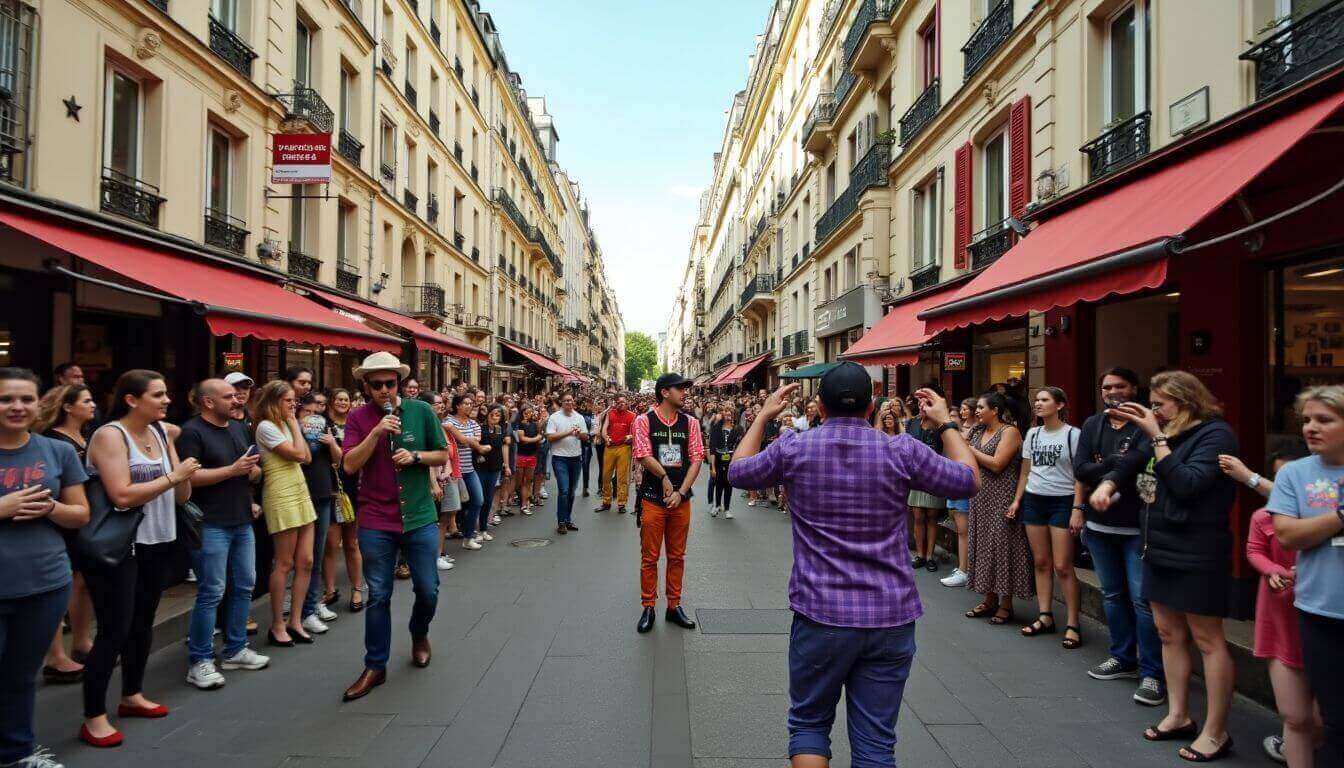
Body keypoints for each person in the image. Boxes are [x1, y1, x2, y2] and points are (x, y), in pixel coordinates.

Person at [729, 365, 979, 768]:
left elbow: (738, 472)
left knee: (809, 725)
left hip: (820, 611)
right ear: (870, 406)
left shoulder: (794, 446)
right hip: (890, 614)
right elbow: (968, 480)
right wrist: (947, 422)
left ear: (820, 407)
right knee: (876, 744)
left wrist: (762, 416)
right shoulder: (901, 449)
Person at [1091, 370, 1238, 761]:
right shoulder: (1162, 432)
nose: (1155, 410)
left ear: (1186, 401)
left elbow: (1189, 483)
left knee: (1207, 640)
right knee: (1167, 632)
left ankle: (1216, 730)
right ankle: (1178, 714)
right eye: (1153, 404)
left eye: (1161, 404)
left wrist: (1156, 436)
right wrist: (1108, 484)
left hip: (1197, 548)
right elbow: (1131, 463)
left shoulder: (1214, 435)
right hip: (1157, 545)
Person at [81, 370, 198, 748]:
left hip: (158, 539)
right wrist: (174, 476)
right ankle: (93, 716)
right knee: (113, 630)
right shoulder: (110, 435)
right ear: (132, 399)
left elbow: (182, 496)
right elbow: (122, 495)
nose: (167, 400)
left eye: (166, 394)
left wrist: (181, 476)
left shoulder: (162, 432)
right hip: (120, 546)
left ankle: (132, 694)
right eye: (158, 395)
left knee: (142, 623)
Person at [340, 352, 449, 701]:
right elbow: (349, 465)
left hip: (418, 516)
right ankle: (375, 665)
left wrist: (416, 457)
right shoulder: (358, 418)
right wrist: (374, 433)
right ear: (366, 386)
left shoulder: (421, 411)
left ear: (399, 383)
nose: (385, 390)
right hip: (376, 519)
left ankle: (419, 633)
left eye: (390, 383)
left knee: (428, 589)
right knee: (379, 595)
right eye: (377, 385)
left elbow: (442, 454)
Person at [0, 368, 90, 768]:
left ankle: (17, 751)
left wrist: (52, 508)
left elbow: (81, 514)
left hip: (45, 583)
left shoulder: (58, 452)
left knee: (22, 676)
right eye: (6, 399)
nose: (17, 407)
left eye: (25, 399)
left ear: (40, 404)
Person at [1073, 368, 1165, 705]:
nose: (1113, 392)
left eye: (1120, 386)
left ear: (1135, 388)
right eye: (1107, 387)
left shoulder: (1146, 424)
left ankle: (1152, 672)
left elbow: (1141, 463)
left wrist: (1106, 466)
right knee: (1112, 595)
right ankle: (1123, 656)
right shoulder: (1092, 424)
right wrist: (1114, 464)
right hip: (1099, 526)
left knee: (1142, 601)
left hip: (1137, 528)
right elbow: (1081, 468)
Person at [176, 379, 270, 690]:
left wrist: (252, 474)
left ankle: (235, 649)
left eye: (236, 396)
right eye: (228, 396)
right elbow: (188, 478)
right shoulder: (192, 432)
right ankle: (200, 660)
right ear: (207, 402)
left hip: (241, 517)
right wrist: (233, 470)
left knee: (244, 585)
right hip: (210, 522)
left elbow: (249, 469)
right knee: (212, 591)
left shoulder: (238, 427)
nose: (236, 400)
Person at [1270, 385, 1344, 767]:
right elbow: (1287, 534)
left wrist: (1318, 526)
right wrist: (1340, 517)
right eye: (1307, 420)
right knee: (1336, 723)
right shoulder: (1294, 474)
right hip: (1322, 612)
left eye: (1324, 420)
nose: (1311, 428)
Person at [1245, 448, 1317, 766]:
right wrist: (1272, 570)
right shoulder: (1263, 517)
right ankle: (1294, 743)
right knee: (1295, 712)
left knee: (1320, 714)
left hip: (1318, 609)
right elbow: (1254, 549)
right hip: (1280, 607)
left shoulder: (1323, 518)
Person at [1010, 387, 1083, 648]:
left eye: (1045, 400)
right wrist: (1018, 500)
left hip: (1062, 501)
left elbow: (1079, 475)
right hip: (1034, 500)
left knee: (1063, 565)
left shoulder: (1073, 434)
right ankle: (1045, 615)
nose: (1038, 404)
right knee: (1041, 562)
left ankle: (1073, 623)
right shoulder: (1033, 434)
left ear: (1060, 405)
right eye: (1037, 400)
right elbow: (1025, 473)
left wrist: (1078, 508)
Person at [632, 373, 703, 633]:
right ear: (664, 392)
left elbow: (696, 458)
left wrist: (681, 492)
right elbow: (642, 453)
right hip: (652, 498)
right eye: (680, 388)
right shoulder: (644, 421)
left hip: (680, 501)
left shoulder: (691, 423)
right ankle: (648, 606)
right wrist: (663, 477)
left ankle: (673, 606)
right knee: (649, 557)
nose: (684, 393)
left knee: (676, 556)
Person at [35, 384, 97, 685]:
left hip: (85, 518)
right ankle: (55, 655)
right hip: (60, 519)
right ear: (68, 407)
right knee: (62, 585)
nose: (93, 404)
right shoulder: (53, 441)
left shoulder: (87, 436)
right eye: (86, 401)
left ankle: (82, 642)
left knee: (82, 582)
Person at [251, 381, 317, 647]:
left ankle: (296, 620)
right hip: (280, 492)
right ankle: (278, 623)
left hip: (300, 489)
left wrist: (293, 426)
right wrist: (294, 425)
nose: (293, 405)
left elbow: (308, 458)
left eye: (294, 401)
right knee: (284, 562)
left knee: (307, 560)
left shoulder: (285, 425)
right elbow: (300, 454)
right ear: (273, 401)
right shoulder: (266, 427)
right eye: (288, 401)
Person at [963, 392, 1031, 626]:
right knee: (983, 545)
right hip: (979, 496)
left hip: (1002, 496)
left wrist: (969, 449)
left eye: (981, 407)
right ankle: (988, 598)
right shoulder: (978, 431)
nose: (977, 411)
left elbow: (997, 464)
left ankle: (1006, 604)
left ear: (995, 410)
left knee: (1002, 547)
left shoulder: (1009, 432)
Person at [297, 391, 342, 635]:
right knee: (297, 558)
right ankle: (297, 608)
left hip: (323, 492)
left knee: (316, 552)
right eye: (309, 411)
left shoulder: (328, 427)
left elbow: (338, 460)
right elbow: (300, 458)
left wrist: (331, 442)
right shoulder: (292, 428)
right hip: (299, 494)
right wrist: (301, 431)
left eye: (319, 410)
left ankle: (311, 606)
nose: (314, 415)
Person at [323, 389, 364, 613]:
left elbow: (352, 459)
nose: (342, 402)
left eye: (345, 399)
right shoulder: (323, 424)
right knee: (330, 544)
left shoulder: (354, 425)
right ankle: (329, 590)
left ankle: (357, 588)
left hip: (352, 487)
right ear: (332, 402)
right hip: (329, 488)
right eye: (338, 399)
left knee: (351, 542)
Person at [905, 399, 948, 574]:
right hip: (916, 475)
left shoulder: (940, 425)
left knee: (931, 517)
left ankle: (930, 556)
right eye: (920, 404)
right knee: (918, 517)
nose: (922, 407)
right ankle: (920, 554)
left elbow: (945, 449)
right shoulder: (912, 423)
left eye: (925, 404)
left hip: (934, 474)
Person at [940, 398, 978, 589]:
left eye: (965, 409)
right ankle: (963, 567)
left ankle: (965, 569)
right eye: (959, 409)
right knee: (959, 527)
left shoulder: (972, 432)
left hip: (965, 482)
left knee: (964, 530)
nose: (962, 413)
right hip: (954, 480)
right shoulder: (955, 433)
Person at [443, 394, 488, 550]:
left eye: (471, 403)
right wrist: (473, 443)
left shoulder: (473, 423)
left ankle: (468, 537)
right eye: (466, 403)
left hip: (469, 469)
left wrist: (471, 442)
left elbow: (476, 440)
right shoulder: (448, 421)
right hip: (454, 471)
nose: (469, 406)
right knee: (450, 509)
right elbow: (465, 441)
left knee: (478, 500)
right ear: (457, 406)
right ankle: (441, 550)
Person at [546, 393, 589, 535]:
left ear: (573, 402)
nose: (568, 402)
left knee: (571, 491)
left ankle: (567, 519)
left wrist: (578, 434)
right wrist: (568, 432)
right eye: (565, 401)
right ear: (562, 403)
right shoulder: (554, 418)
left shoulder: (579, 417)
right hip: (559, 458)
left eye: (570, 400)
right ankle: (561, 522)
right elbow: (550, 437)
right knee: (563, 490)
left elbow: (585, 436)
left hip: (575, 458)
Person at [475, 405, 511, 537]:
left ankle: (483, 529)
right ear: (488, 414)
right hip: (481, 467)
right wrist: (478, 453)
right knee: (479, 499)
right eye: (492, 414)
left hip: (495, 467)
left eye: (498, 415)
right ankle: (476, 530)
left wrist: (506, 466)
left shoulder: (501, 430)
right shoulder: (480, 428)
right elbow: (475, 446)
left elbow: (504, 448)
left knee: (489, 498)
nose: (495, 417)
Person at [597, 395, 636, 513]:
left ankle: (621, 503)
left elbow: (634, 432)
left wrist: (631, 436)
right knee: (606, 476)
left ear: (627, 404)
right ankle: (606, 501)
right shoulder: (610, 413)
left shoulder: (633, 416)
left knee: (622, 477)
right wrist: (605, 437)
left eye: (623, 402)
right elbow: (604, 429)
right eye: (618, 402)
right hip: (610, 447)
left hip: (624, 447)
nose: (620, 404)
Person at [709, 409, 742, 519]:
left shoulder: (737, 429)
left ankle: (727, 509)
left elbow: (739, 446)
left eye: (731, 414)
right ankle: (717, 505)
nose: (729, 416)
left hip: (731, 460)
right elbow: (712, 449)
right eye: (726, 414)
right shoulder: (716, 429)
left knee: (728, 485)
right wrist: (712, 467)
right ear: (722, 415)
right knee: (718, 484)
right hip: (718, 459)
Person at [513, 406, 543, 515]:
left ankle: (524, 504)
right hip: (521, 455)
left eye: (530, 412)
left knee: (528, 481)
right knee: (519, 482)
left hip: (532, 456)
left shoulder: (535, 424)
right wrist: (535, 439)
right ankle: (520, 499)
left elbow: (540, 436)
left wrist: (534, 439)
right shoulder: (519, 424)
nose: (528, 414)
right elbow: (522, 439)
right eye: (526, 412)